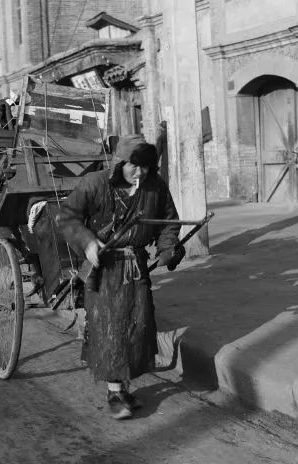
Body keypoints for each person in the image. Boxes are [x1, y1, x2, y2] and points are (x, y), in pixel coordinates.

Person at [57, 135, 186, 420]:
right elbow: (67, 217)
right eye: (133, 166)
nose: (139, 173)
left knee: (137, 327)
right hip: (104, 269)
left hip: (136, 267)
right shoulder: (94, 183)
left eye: (145, 167)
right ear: (119, 162)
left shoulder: (156, 187)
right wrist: (88, 242)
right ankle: (115, 391)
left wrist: (168, 248)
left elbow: (168, 221)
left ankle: (123, 386)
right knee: (111, 328)